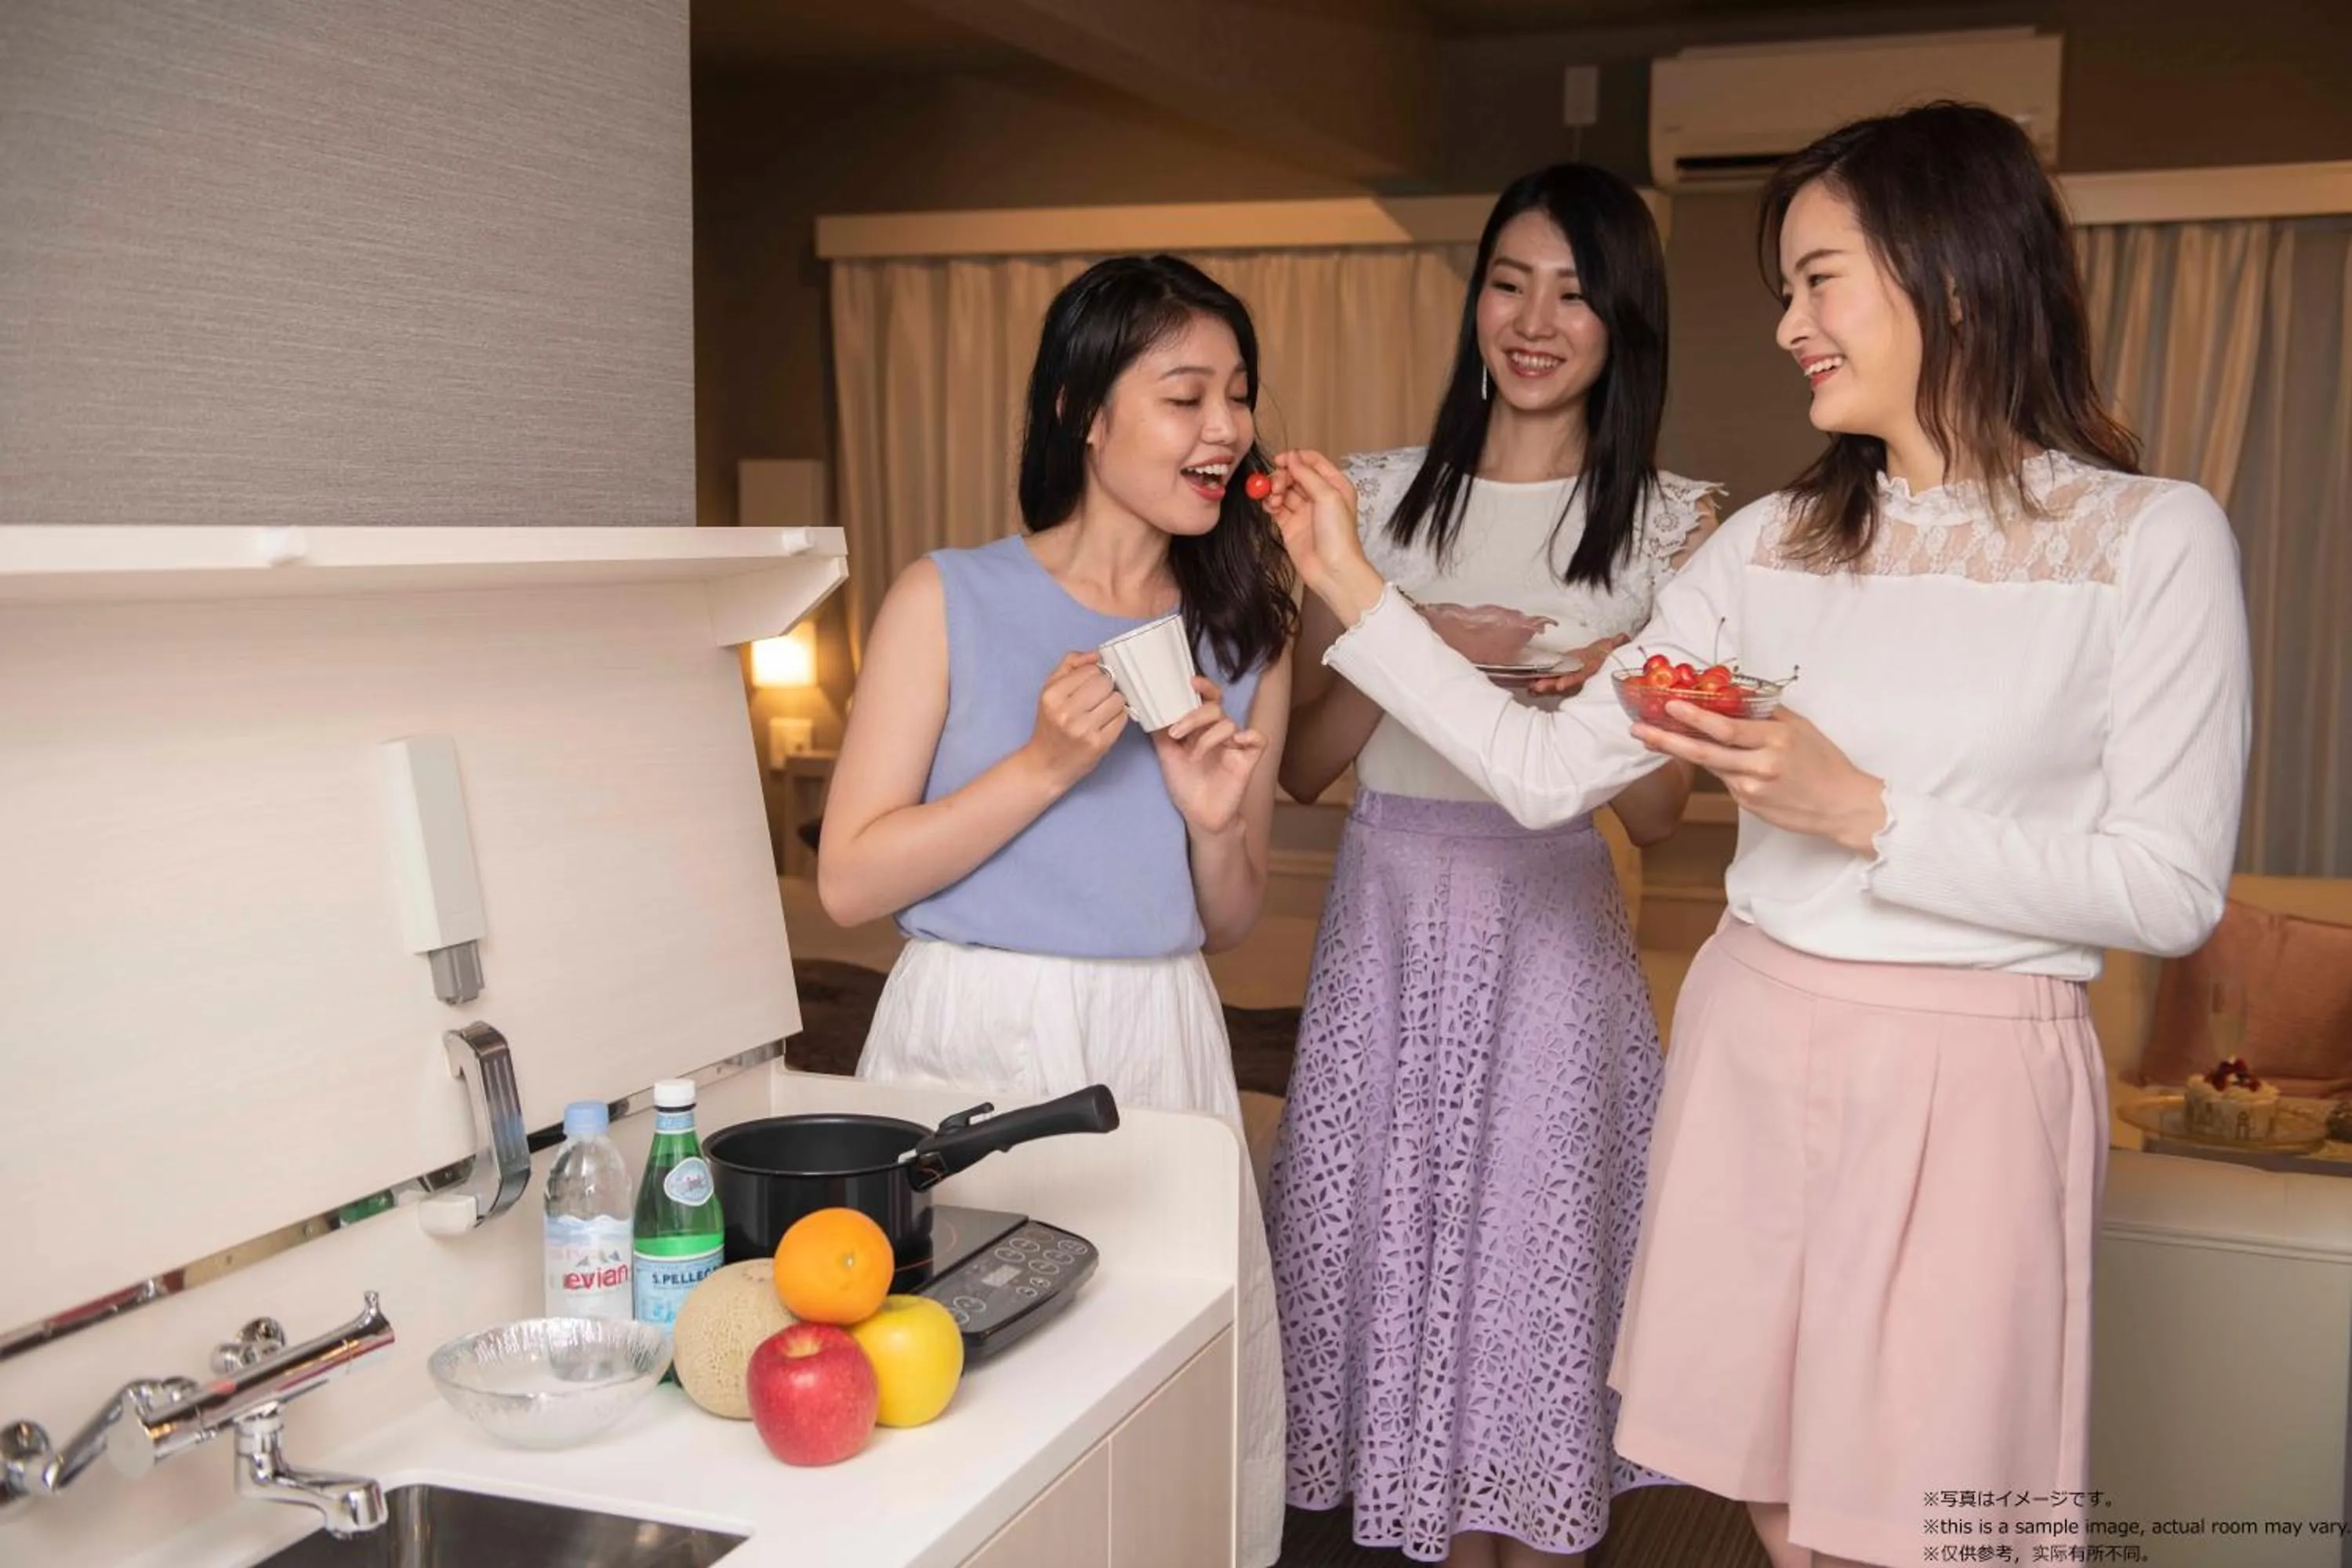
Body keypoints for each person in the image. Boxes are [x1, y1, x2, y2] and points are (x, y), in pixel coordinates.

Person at [1261, 103, 2251, 1568]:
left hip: (1971, 1075)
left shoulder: (2150, 539)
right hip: (1749, 1043)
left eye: (1817, 280)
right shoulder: (1766, 546)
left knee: (1934, 1528)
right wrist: (1357, 588)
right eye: (1784, 287)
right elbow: (1542, 775)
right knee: (1781, 1518)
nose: (1788, 323)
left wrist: (1864, 813)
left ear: (1954, 276)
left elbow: (2166, 889)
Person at [1265, 163, 1713, 1568]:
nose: (1535, 320)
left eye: (1577, 293)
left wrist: (1617, 699)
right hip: (1386, 924)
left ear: (1623, 322)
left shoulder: (1679, 523)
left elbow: (1655, 823)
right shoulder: (1374, 501)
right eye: (1510, 281)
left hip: (1552, 945)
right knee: (1397, 1282)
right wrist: (1413, 651)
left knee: (1530, 1289)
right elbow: (1301, 765)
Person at [816, 254, 1296, 1567]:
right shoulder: (948, 597)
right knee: (949, 1395)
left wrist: (1207, 824)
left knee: (1160, 1393)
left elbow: (1230, 920)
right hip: (967, 1030)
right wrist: (1040, 768)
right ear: (1086, 411)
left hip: (1158, 1038)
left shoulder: (1247, 634)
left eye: (1238, 396)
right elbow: (850, 879)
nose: (1225, 429)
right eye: (1186, 394)